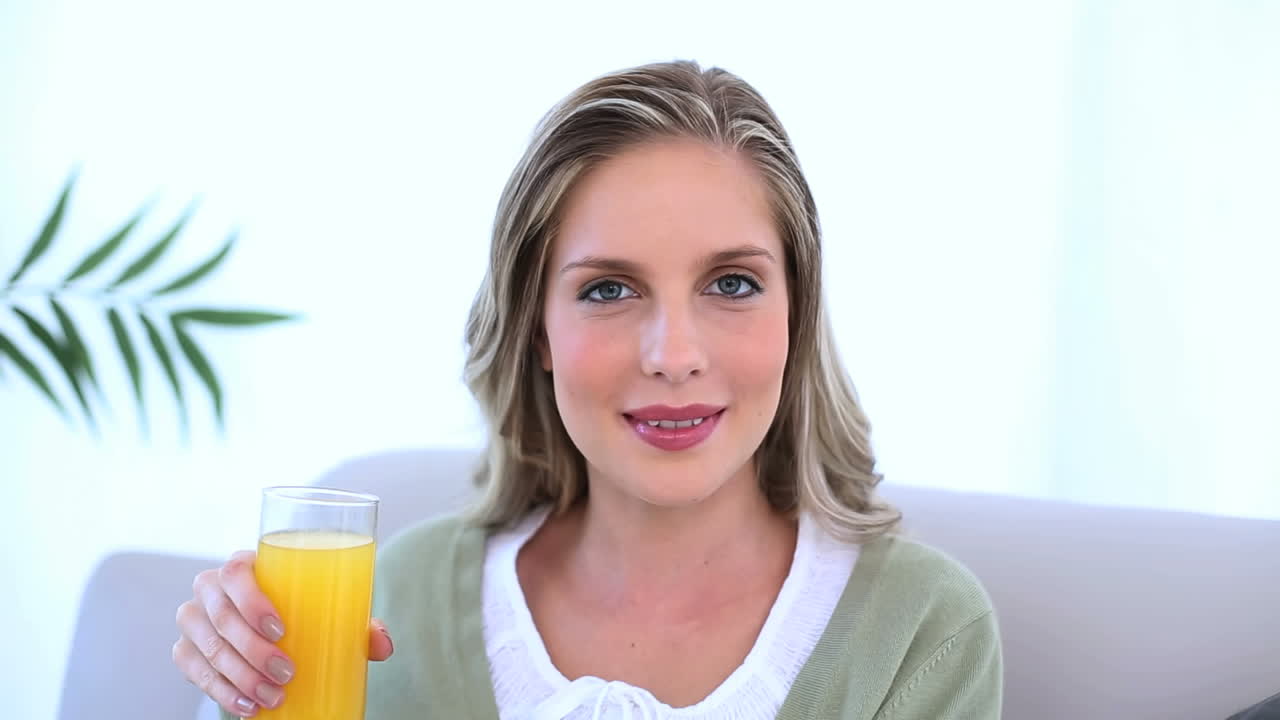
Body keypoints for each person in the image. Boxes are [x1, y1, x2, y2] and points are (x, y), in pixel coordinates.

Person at [172, 59, 1003, 719]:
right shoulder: (387, 604)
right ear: (536, 327)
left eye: (732, 284)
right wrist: (241, 687)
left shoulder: (921, 634)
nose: (673, 356)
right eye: (609, 289)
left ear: (797, 312)